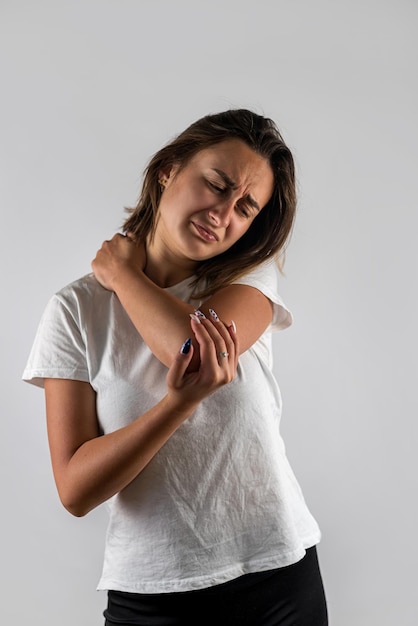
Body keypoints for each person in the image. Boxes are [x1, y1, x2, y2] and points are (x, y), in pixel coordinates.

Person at [23, 109, 328, 625]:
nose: (222, 212)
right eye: (216, 184)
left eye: (245, 207)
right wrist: (175, 405)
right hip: (151, 594)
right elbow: (75, 490)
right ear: (168, 168)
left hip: (276, 578)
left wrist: (123, 274)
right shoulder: (76, 309)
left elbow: (190, 349)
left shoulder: (248, 283)